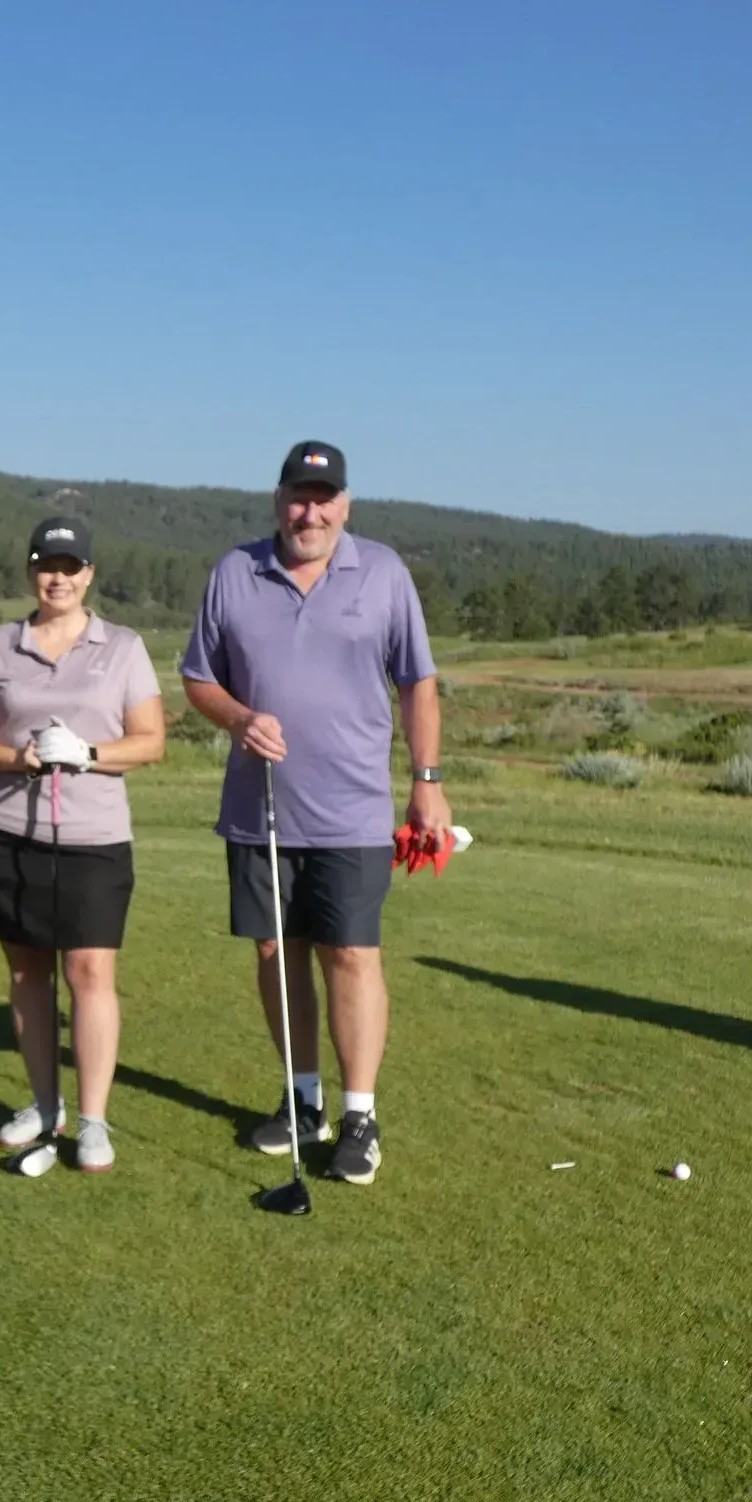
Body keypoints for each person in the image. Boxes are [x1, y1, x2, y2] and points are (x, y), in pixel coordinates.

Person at [180, 440, 451, 1186]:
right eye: (298, 496)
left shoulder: (384, 572)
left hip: (354, 808)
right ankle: (304, 1102)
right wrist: (237, 718)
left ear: (345, 505)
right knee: (276, 952)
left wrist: (425, 781)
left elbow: (418, 682)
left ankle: (360, 1116)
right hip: (259, 810)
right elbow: (199, 678)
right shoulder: (235, 572)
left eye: (324, 497)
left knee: (351, 954)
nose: (311, 510)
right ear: (278, 501)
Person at [0, 517, 166, 1172]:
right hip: (6, 829)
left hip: (94, 835)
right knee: (27, 973)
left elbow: (150, 741)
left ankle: (93, 1120)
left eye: (71, 567)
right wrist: (18, 757)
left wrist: (90, 753)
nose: (59, 578)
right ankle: (46, 1105)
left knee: (91, 972)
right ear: (32, 573)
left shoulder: (122, 647)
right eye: (48, 565)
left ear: (89, 575)